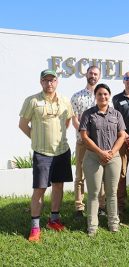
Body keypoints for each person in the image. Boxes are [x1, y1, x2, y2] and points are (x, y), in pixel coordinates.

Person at [19, 69, 74, 242]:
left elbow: (67, 122)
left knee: (58, 186)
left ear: (57, 81)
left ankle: (53, 220)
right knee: (40, 189)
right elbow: (22, 124)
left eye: (52, 80)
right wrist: (36, 138)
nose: (49, 83)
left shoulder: (65, 101)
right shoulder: (32, 101)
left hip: (62, 151)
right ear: (41, 82)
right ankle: (35, 227)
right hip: (42, 153)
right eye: (46, 80)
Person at [79, 83, 126, 236]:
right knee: (93, 193)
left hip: (113, 157)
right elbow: (84, 136)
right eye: (99, 94)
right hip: (93, 157)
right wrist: (100, 152)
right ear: (96, 96)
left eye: (105, 94)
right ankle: (92, 226)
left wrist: (112, 152)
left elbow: (122, 135)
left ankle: (114, 224)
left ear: (109, 96)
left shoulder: (116, 114)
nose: (103, 97)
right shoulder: (88, 114)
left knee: (112, 193)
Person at [71, 65, 106, 218]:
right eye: (91, 73)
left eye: (96, 74)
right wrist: (86, 136)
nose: (93, 76)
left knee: (101, 175)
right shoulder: (77, 96)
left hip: (100, 144)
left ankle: (102, 206)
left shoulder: (103, 95)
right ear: (86, 74)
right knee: (80, 175)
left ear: (99, 76)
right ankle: (79, 207)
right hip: (82, 142)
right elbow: (75, 120)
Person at [112, 71, 129, 217]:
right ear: (123, 81)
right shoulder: (116, 99)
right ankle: (120, 205)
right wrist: (126, 136)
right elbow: (115, 119)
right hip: (122, 140)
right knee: (121, 173)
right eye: (127, 78)